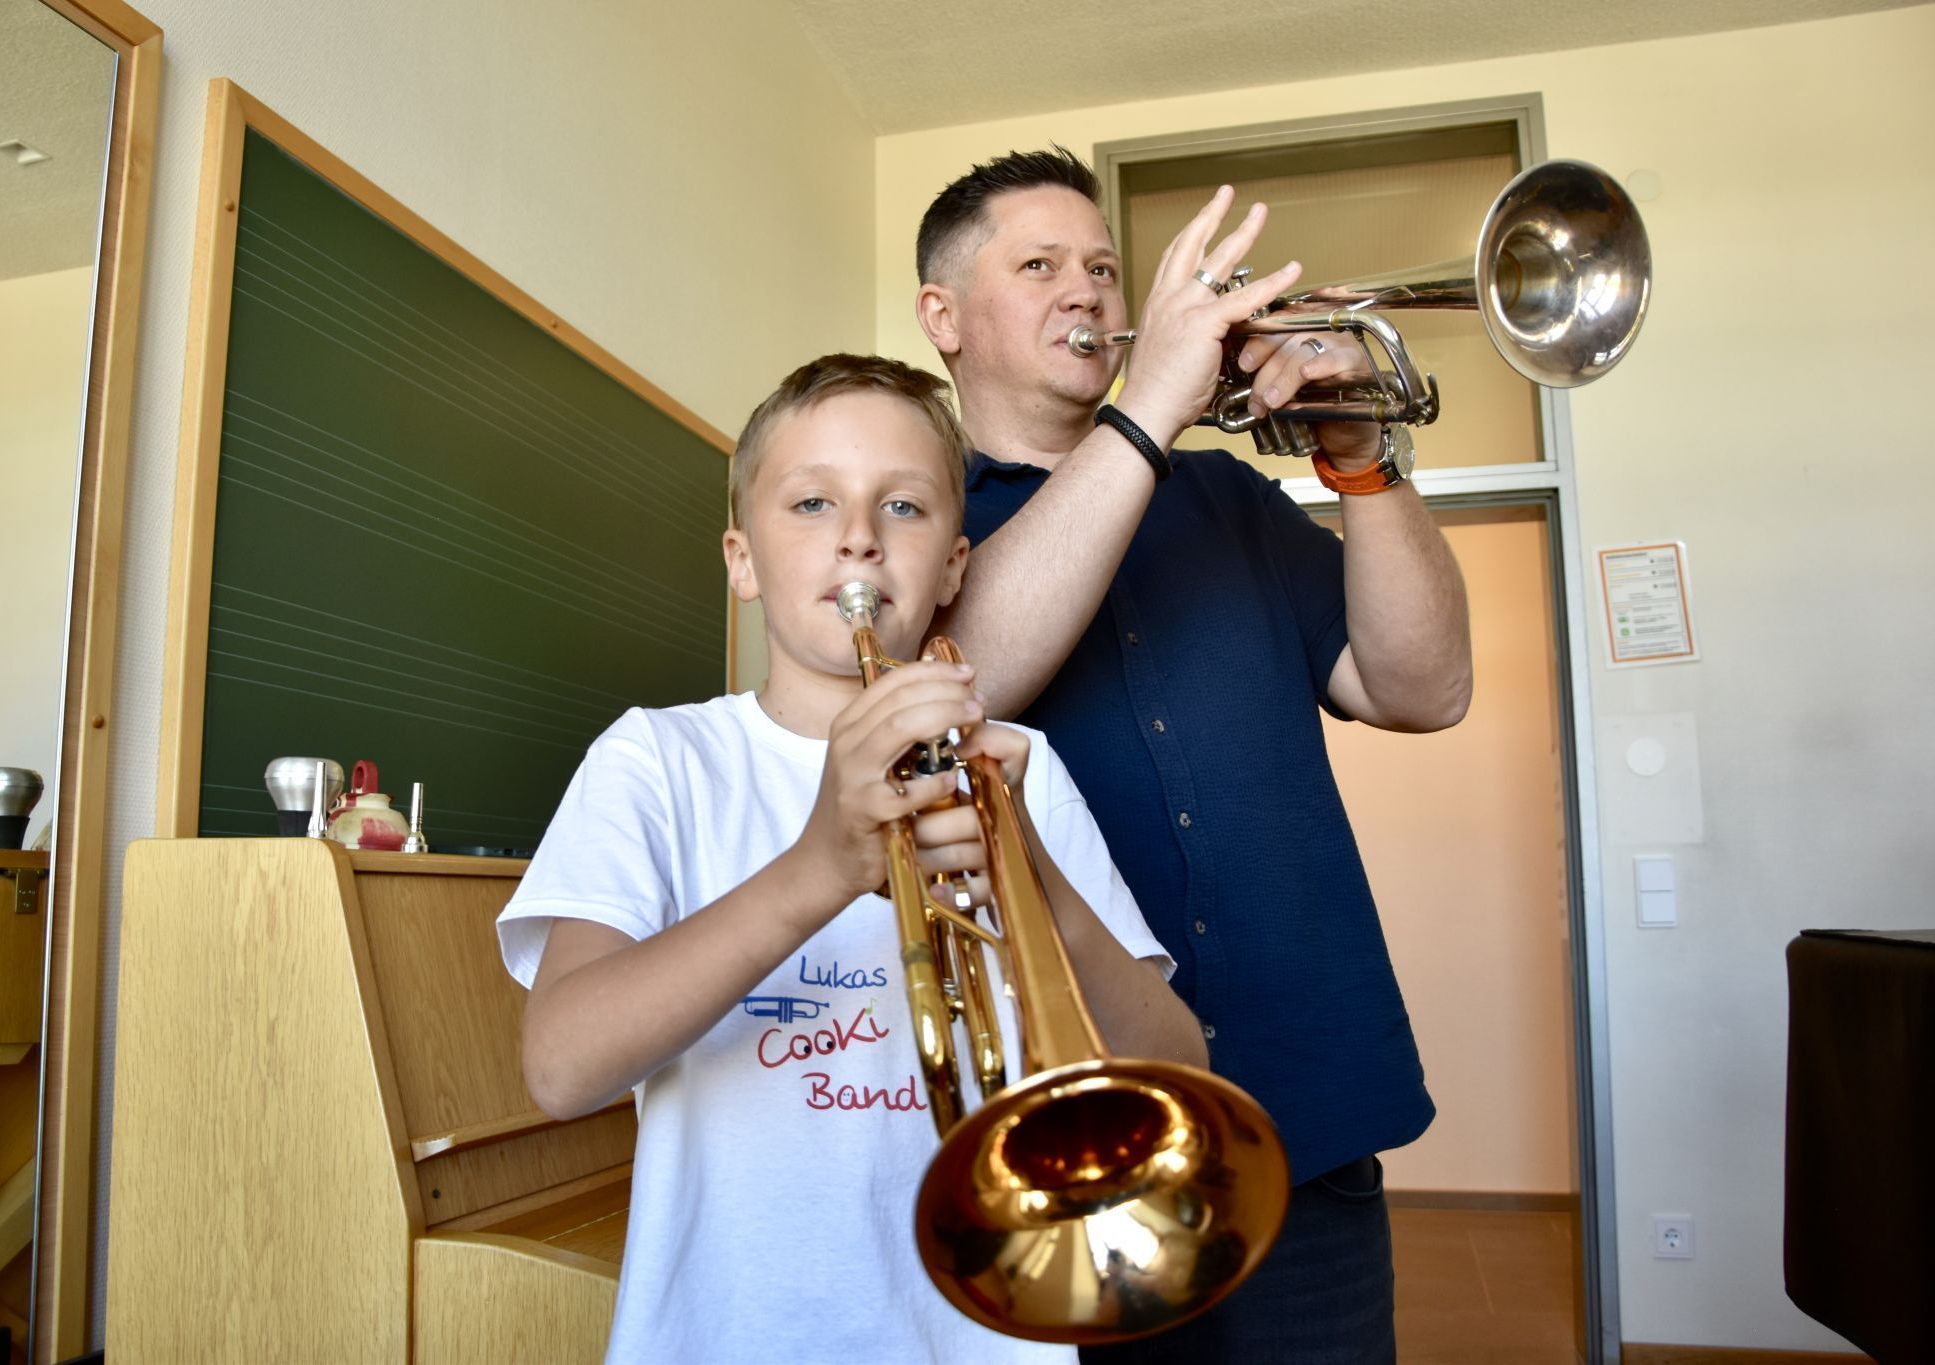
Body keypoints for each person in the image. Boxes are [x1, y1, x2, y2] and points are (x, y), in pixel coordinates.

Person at [499, 353, 1205, 1365]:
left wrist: (1034, 877)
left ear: (955, 567)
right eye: (813, 501)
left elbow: (1174, 1076)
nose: (860, 537)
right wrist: (821, 866)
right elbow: (560, 1068)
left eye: (905, 508)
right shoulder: (657, 759)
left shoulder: (1017, 769)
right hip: (728, 1335)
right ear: (741, 562)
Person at [912, 147, 1477, 1363]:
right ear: (941, 317)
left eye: (1105, 269)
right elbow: (968, 682)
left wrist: (1360, 460)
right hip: (1058, 1143)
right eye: (1042, 265)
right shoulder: (923, 526)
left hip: (1299, 1112)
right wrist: (1152, 401)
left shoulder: (1229, 502)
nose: (1091, 294)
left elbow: (1423, 689)